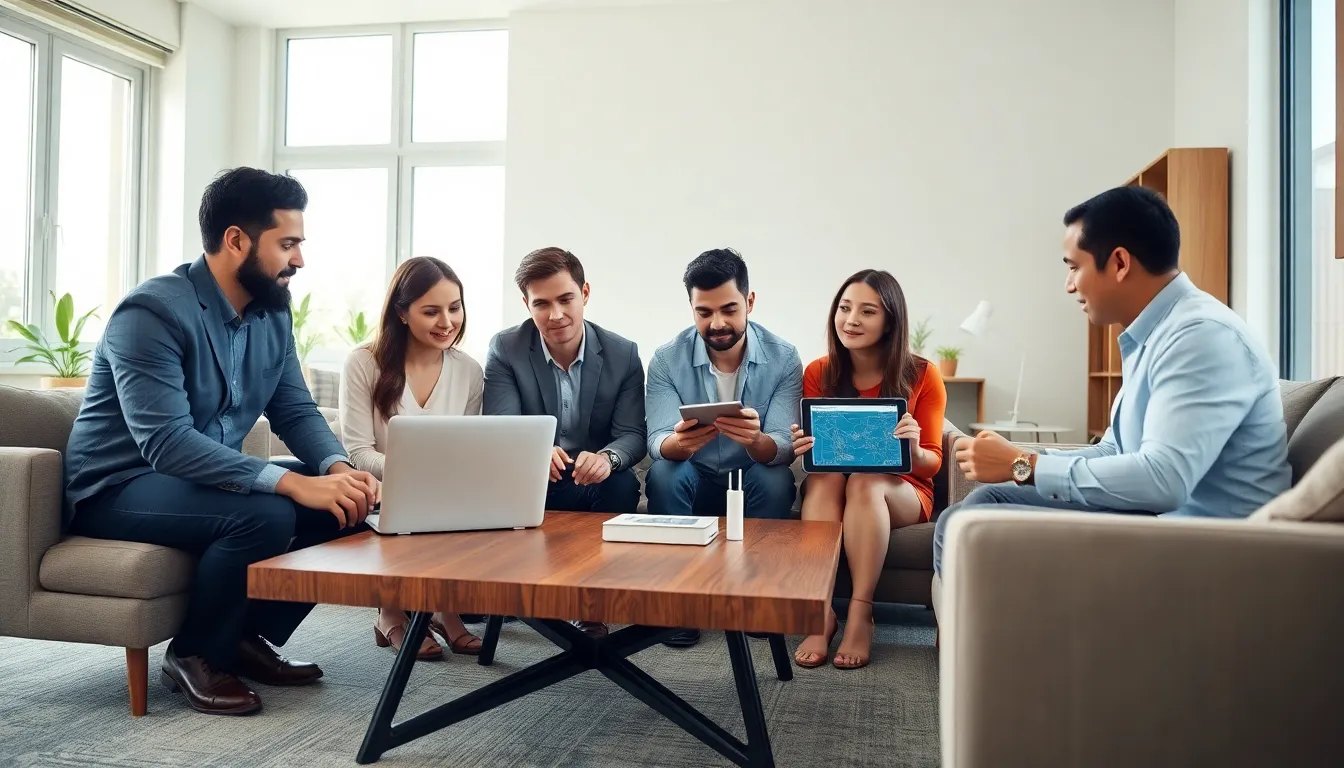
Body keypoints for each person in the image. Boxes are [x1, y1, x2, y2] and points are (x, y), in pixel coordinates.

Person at [64, 167, 381, 716]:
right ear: (236, 240)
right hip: (117, 487)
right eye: (288, 244)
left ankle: (241, 636)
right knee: (268, 512)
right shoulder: (151, 312)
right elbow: (165, 441)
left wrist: (334, 468)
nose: (299, 260)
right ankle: (194, 654)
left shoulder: (272, 316)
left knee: (344, 505)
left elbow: (294, 408)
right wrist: (289, 484)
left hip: (194, 481)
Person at [933, 185, 1291, 575]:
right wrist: (1017, 462)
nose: (1069, 285)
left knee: (979, 515)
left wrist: (1024, 464)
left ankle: (980, 636)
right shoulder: (1155, 334)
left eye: (1073, 267)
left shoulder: (1200, 336)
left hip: (1206, 545)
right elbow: (1115, 451)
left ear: (1119, 262)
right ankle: (969, 637)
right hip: (1160, 520)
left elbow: (1164, 479)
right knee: (977, 509)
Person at [483, 246, 647, 638]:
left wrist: (608, 457)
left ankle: (589, 603)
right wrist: (535, 450)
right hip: (532, 480)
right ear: (526, 304)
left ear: (585, 293)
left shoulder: (623, 353)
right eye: (541, 303)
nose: (555, 314)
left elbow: (633, 435)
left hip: (592, 481)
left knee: (623, 484)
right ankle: (518, 593)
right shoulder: (506, 348)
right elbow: (501, 426)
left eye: (565, 299)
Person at [644, 248, 803, 647]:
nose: (717, 323)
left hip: (750, 474)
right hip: (693, 474)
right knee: (664, 473)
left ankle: (757, 598)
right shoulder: (666, 359)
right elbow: (657, 440)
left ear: (750, 302)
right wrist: (678, 443)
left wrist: (757, 440)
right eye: (704, 312)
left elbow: (783, 447)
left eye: (729, 309)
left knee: (776, 479)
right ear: (691, 308)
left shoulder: (784, 359)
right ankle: (679, 602)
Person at [788, 269, 946, 670]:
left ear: (890, 320)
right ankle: (820, 610)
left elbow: (932, 463)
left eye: (867, 311)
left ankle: (861, 612)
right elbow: (819, 454)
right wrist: (803, 447)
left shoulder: (923, 374)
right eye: (844, 308)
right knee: (823, 479)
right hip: (836, 483)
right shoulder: (819, 372)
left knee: (865, 481)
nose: (851, 320)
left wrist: (911, 447)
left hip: (903, 489)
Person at [339, 256, 485, 660]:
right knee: (420, 499)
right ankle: (390, 614)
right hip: (383, 490)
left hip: (445, 490)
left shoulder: (469, 371)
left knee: (464, 501)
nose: (447, 322)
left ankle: (444, 610)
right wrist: (414, 472)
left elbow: (469, 446)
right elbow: (357, 451)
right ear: (402, 313)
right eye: (431, 311)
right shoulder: (364, 362)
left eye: (454, 308)